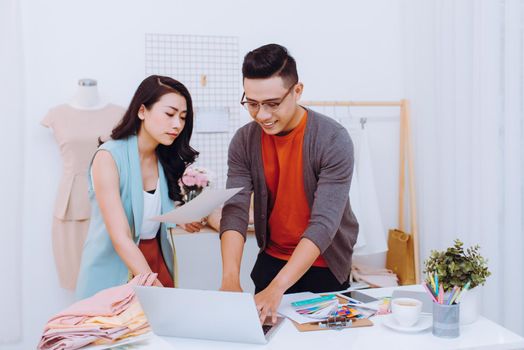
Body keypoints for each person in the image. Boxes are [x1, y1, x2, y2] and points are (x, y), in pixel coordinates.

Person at [219, 44, 359, 323]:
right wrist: (230, 280)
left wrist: (278, 289)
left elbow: (324, 224)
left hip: (324, 265)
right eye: (252, 103)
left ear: (297, 91)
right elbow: (235, 210)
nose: (262, 115)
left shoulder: (333, 139)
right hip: (271, 260)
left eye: (272, 104)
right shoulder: (244, 141)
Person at [76, 75, 204, 299]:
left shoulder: (163, 158)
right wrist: (154, 288)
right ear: (142, 111)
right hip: (115, 269)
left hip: (155, 261)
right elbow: (121, 236)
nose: (177, 124)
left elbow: (149, 212)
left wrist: (179, 217)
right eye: (170, 114)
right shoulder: (108, 156)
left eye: (183, 118)